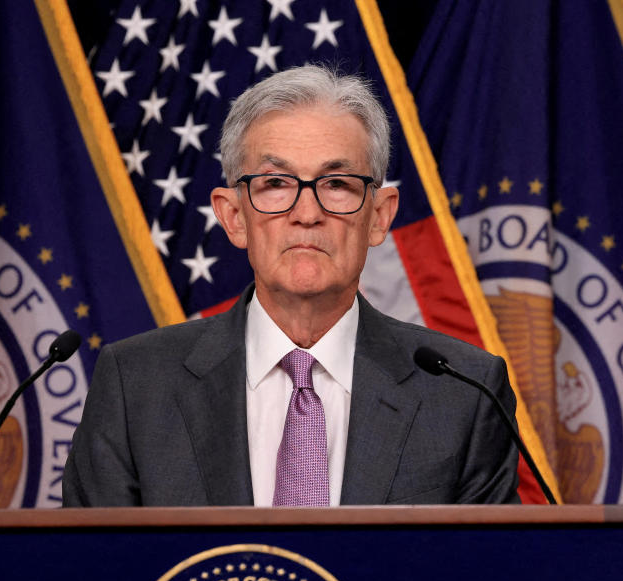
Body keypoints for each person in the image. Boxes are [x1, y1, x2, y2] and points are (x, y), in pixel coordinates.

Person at [62, 66, 519, 507]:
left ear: (379, 215)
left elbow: (487, 580)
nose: (306, 212)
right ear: (233, 216)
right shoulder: (135, 385)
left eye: (336, 183)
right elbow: (96, 576)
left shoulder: (464, 393)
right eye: (276, 183)